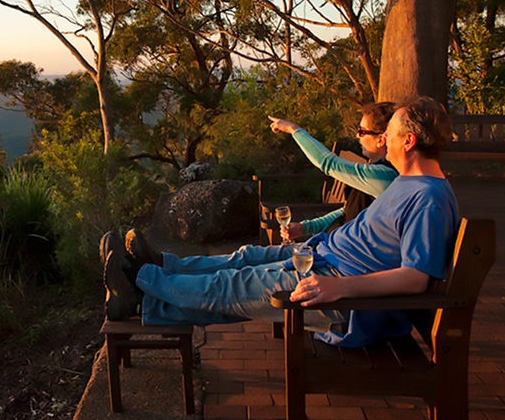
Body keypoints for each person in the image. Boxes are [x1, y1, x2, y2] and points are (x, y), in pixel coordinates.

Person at [103, 96, 459, 347]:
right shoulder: (406, 183)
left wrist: (339, 288)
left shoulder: (427, 199)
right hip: (323, 259)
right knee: (244, 259)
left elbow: (416, 277)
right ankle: (151, 280)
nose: (384, 141)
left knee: (234, 285)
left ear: (408, 141)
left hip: (340, 292)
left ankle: (138, 279)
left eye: (390, 134)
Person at [268, 102, 398, 241]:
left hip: (339, 255)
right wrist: (305, 228)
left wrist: (293, 129)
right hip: (332, 245)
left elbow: (328, 163)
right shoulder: (380, 170)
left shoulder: (385, 177)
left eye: (362, 131)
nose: (357, 135)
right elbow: (347, 211)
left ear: (380, 139)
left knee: (248, 255)